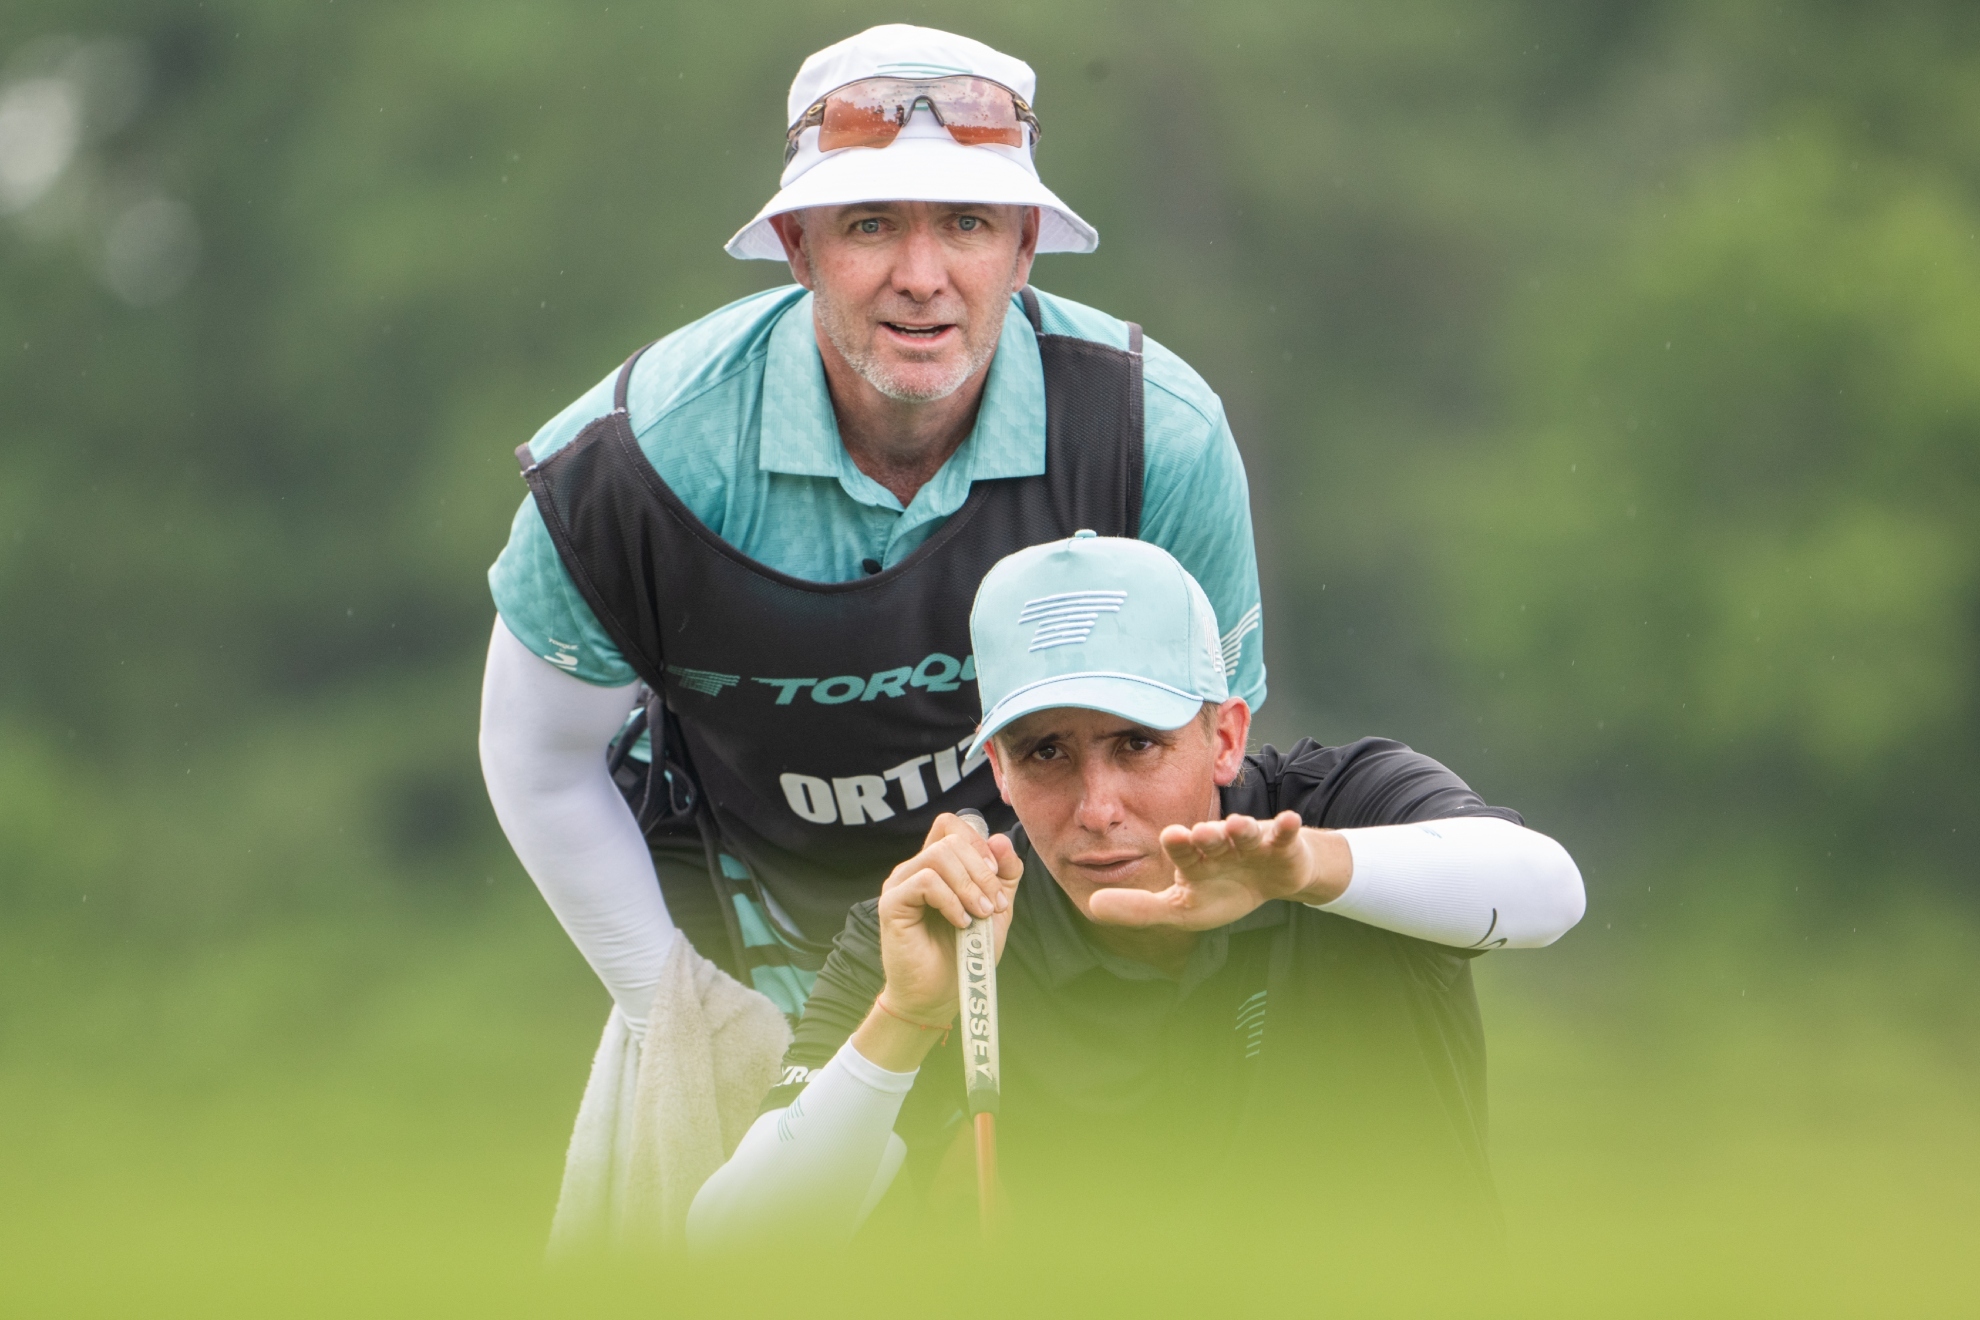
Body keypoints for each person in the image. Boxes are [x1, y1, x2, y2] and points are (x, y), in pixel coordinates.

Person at [479, 24, 1267, 1029]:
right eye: (870, 226)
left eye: (969, 224)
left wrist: (1141, 990)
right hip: (733, 949)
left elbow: (1212, 755)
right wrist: (679, 1011)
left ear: (1026, 248)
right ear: (797, 248)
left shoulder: (1154, 434)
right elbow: (539, 760)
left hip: (1060, 953)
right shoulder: (631, 463)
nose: (922, 275)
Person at [688, 533, 1586, 1244]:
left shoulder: (1337, 809)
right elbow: (739, 1255)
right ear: (996, 768)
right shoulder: (947, 926)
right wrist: (909, 1020)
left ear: (1225, 737)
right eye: (1047, 752)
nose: (1097, 806)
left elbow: (1551, 895)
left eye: (1137, 744)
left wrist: (1308, 872)